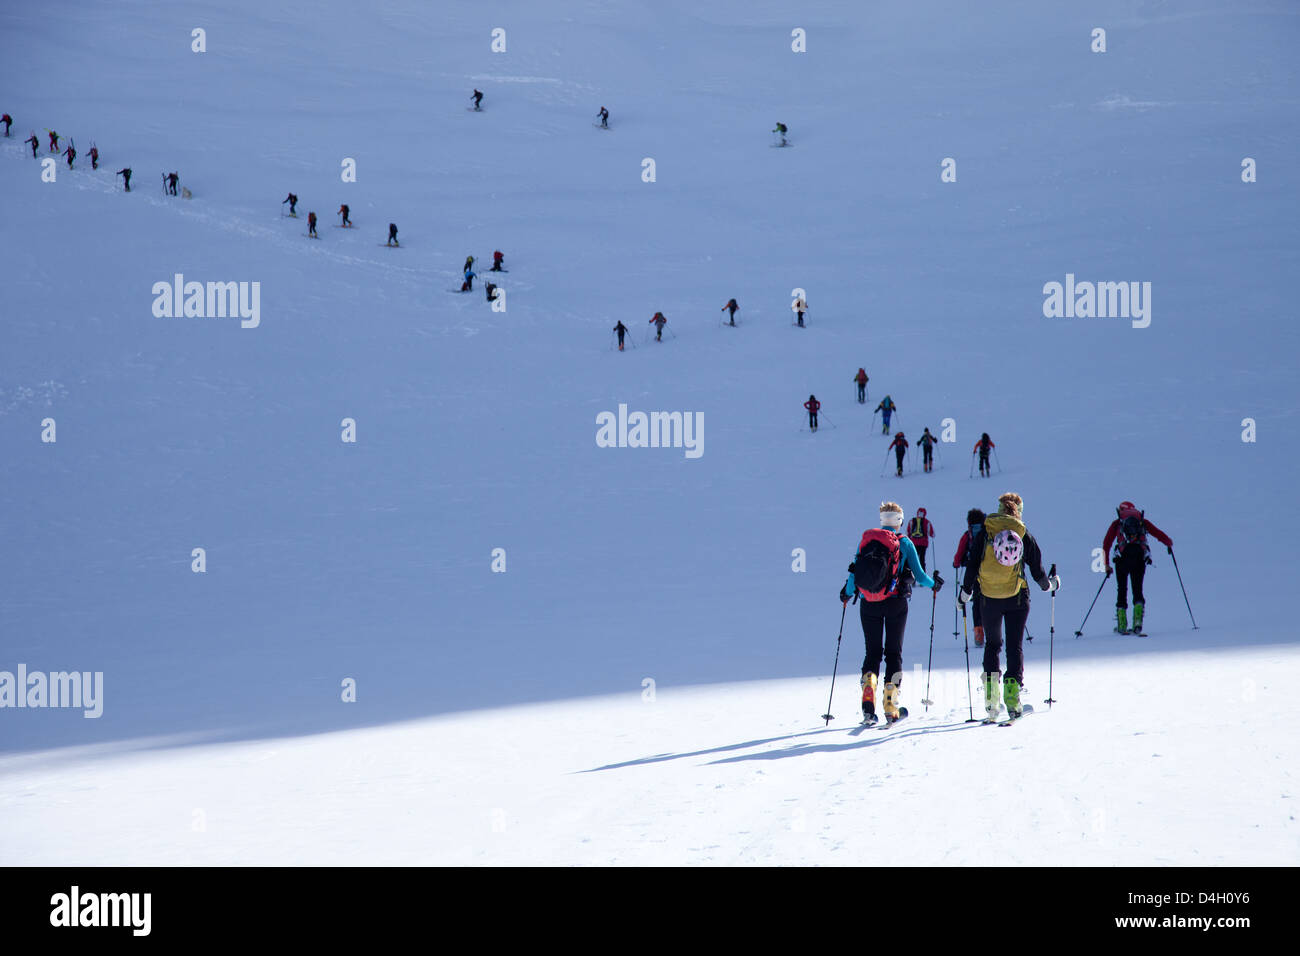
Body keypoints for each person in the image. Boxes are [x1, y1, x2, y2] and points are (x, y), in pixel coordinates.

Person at [840, 502, 942, 725]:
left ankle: (868, 695)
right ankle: (890, 705)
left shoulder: (866, 541)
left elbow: (854, 574)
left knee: (872, 653)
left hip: (869, 603)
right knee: (894, 654)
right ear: (900, 520)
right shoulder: (904, 543)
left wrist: (847, 594)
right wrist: (934, 584)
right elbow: (920, 575)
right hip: (896, 603)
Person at [959, 492, 1058, 721]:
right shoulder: (1023, 533)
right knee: (1014, 646)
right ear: (1019, 511)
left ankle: (991, 700)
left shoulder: (986, 531)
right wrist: (1051, 585)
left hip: (988, 598)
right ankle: (1013, 699)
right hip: (1017, 598)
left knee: (992, 645)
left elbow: (972, 564)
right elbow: (1038, 572)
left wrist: (965, 592)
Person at [1103, 501, 1173, 635]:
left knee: (1122, 589)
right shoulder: (1142, 522)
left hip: (1122, 558)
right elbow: (1158, 533)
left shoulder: (1117, 523)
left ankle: (1122, 625)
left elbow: (1107, 543)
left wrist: (1106, 564)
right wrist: (1168, 543)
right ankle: (1137, 623)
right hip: (1139, 557)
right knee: (1138, 588)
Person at [952, 508, 987, 645]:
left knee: (976, 603)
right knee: (991, 601)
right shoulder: (988, 534)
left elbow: (958, 556)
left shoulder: (968, 535)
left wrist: (956, 563)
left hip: (973, 575)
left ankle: (978, 632)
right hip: (990, 573)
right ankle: (993, 632)